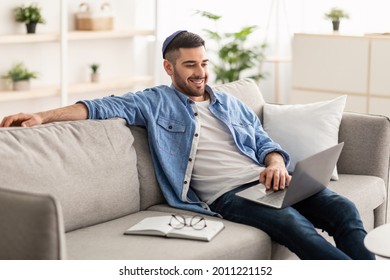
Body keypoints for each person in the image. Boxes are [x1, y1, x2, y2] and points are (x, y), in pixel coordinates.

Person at [0, 30, 374, 260]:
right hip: (229, 195)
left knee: (342, 209)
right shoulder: (154, 101)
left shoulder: (228, 102)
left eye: (204, 63)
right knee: (297, 227)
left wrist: (276, 163)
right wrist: (42, 116)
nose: (201, 73)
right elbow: (98, 106)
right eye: (191, 65)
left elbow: (263, 142)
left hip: (269, 181)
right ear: (169, 68)